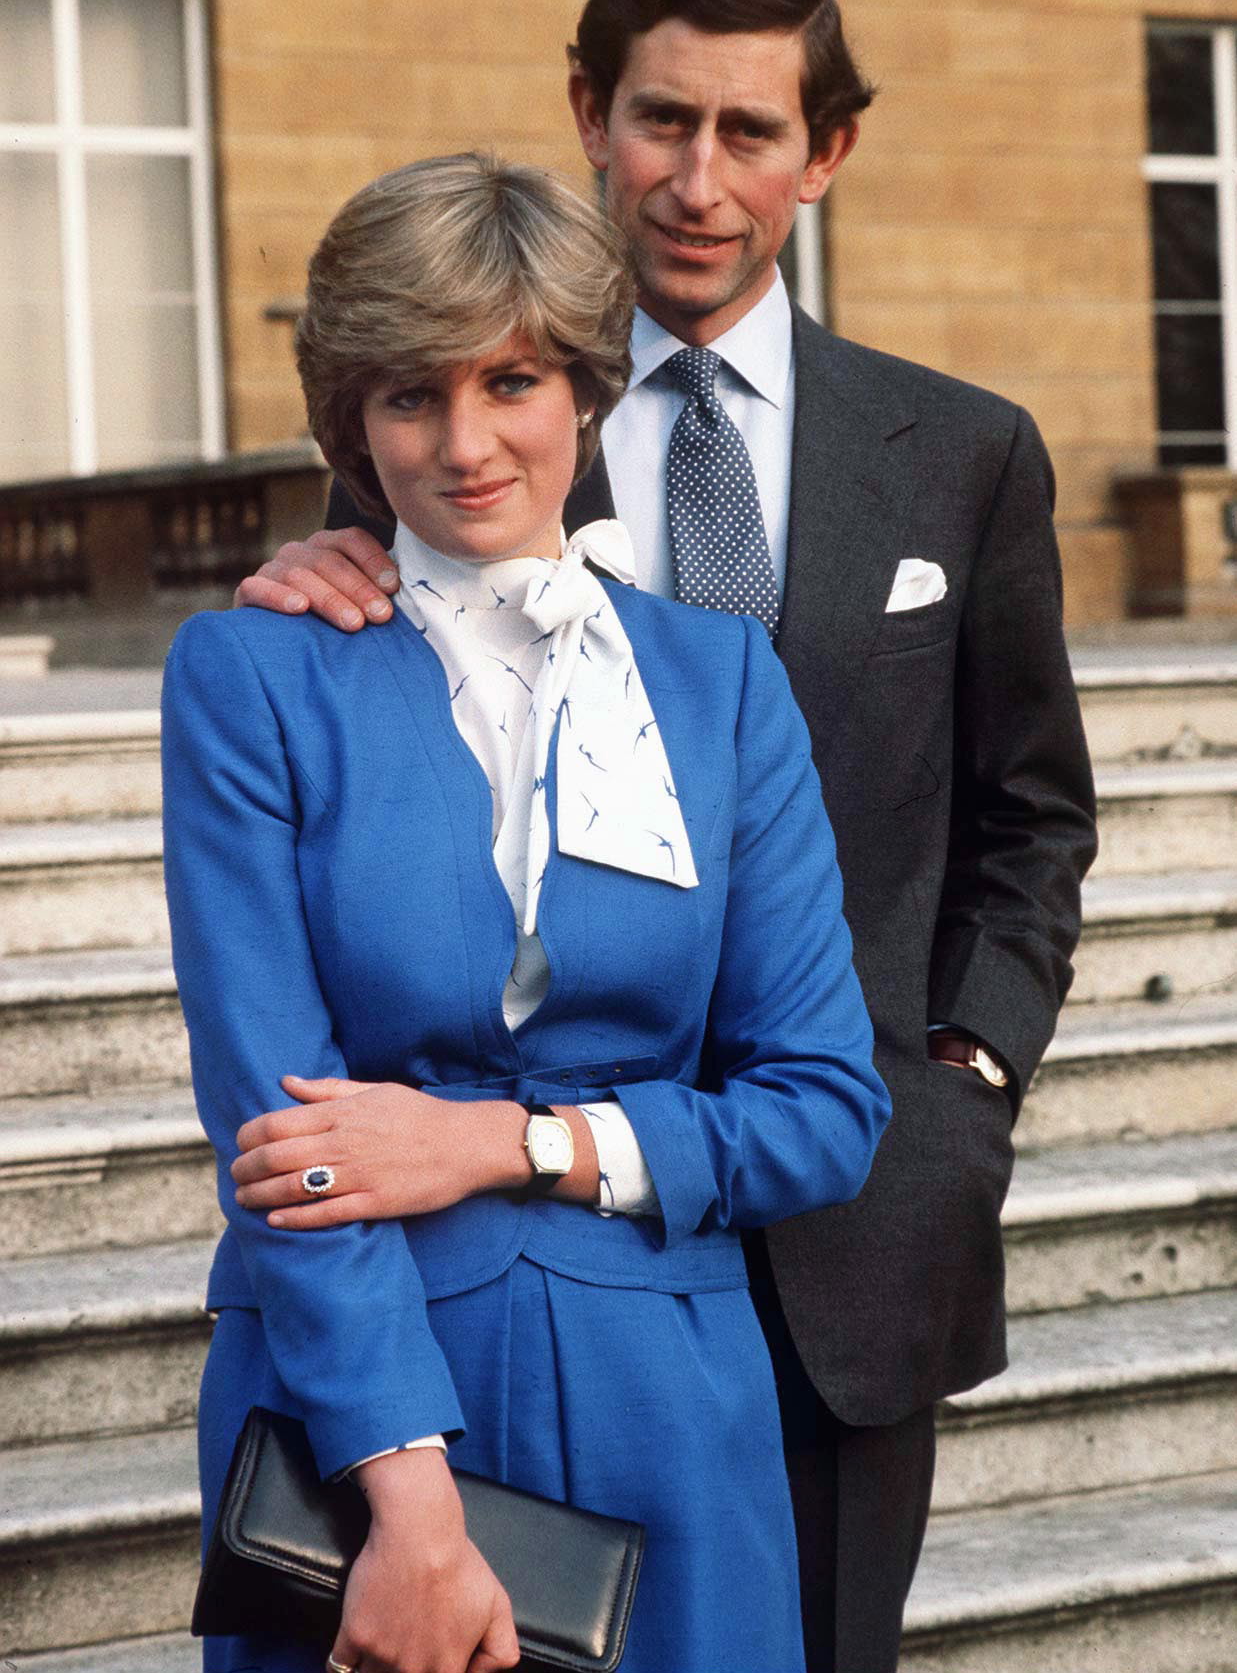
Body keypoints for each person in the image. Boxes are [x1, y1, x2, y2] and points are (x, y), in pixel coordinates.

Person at [233, 0, 1098, 1673]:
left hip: (844, 1215)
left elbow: (1032, 812)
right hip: (503, 1258)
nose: (696, 178)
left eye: (749, 131)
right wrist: (306, 574)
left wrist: (961, 1082)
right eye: (658, 121)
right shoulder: (489, 398)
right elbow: (397, 627)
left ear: (823, 154)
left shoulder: (962, 450)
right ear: (588, 114)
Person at [164, 151, 889, 1673]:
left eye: (509, 381)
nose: (467, 442)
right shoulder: (252, 678)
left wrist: (498, 1141)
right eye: (409, 395)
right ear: (351, 423)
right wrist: (412, 1515)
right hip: (361, 1404)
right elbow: (282, 1138)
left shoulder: (719, 679)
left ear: (582, 385)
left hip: (670, 1407)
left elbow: (820, 1106)